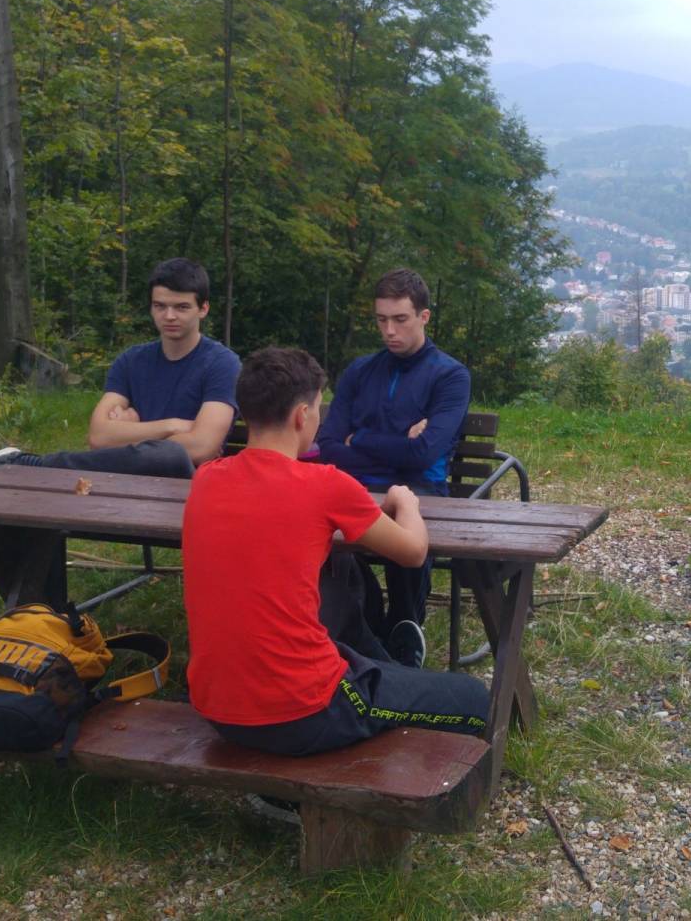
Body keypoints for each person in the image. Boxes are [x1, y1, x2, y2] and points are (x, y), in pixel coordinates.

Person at [182, 346, 488, 757]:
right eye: (317, 409)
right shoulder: (325, 485)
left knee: (341, 586)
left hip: (217, 710)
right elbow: (414, 551)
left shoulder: (206, 478)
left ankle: (389, 671)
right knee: (474, 699)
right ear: (301, 415)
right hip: (306, 711)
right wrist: (406, 502)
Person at [0, 258, 240, 483]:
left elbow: (201, 447)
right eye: (160, 306)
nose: (169, 316)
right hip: (123, 483)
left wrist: (129, 433)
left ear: (203, 309)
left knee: (170, 456)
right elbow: (99, 436)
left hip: (191, 489)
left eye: (181, 307)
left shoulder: (222, 364)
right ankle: (10, 471)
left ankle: (25, 464)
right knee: (165, 451)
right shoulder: (131, 361)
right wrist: (173, 425)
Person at [314, 268, 470, 661]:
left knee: (406, 516)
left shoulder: (450, 376)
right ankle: (363, 625)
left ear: (424, 316)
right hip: (356, 487)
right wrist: (401, 441)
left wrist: (359, 439)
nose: (389, 331)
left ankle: (405, 628)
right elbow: (329, 446)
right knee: (318, 522)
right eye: (381, 320)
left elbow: (424, 455)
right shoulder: (359, 371)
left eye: (400, 319)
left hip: (421, 491)